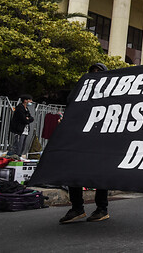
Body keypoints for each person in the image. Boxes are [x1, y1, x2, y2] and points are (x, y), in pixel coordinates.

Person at [60, 63, 110, 224]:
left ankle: (102, 209)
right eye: (93, 72)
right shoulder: (80, 91)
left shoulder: (111, 93)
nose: (95, 74)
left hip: (101, 140)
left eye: (99, 72)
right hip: (80, 138)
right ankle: (77, 208)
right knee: (73, 172)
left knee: (100, 174)